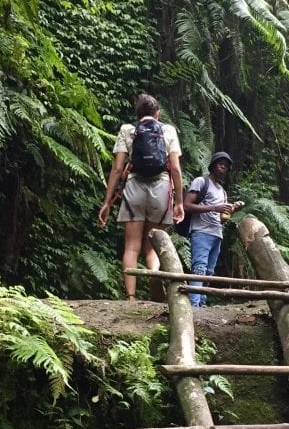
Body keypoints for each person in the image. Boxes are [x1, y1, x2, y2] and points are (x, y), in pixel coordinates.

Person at [97, 94, 184, 301]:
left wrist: (107, 202)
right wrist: (179, 202)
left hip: (134, 188)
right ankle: (154, 275)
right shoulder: (168, 130)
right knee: (152, 245)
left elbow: (118, 169)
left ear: (138, 114)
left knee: (132, 246)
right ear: (158, 113)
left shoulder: (128, 130)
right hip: (161, 188)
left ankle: (131, 297)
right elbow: (176, 169)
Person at [183, 152, 243, 307]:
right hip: (201, 231)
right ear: (213, 165)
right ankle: (193, 306)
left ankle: (202, 305)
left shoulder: (222, 191)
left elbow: (220, 217)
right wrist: (215, 207)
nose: (223, 166)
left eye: (226, 164)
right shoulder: (201, 181)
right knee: (199, 269)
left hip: (217, 233)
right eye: (220, 162)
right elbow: (187, 205)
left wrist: (231, 209)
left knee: (209, 272)